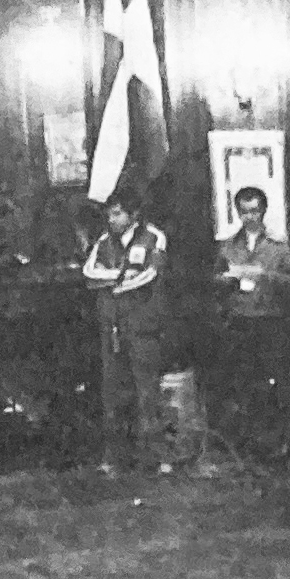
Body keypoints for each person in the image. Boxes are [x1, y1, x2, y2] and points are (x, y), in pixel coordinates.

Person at [82, 189, 169, 475]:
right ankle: (116, 456)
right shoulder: (103, 241)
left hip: (142, 325)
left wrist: (114, 282)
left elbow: (149, 274)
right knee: (113, 391)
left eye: (117, 213)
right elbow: (89, 273)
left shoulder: (153, 237)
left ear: (133, 214)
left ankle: (153, 456)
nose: (111, 219)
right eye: (109, 214)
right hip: (111, 326)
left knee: (147, 391)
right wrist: (119, 277)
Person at [213, 186, 290, 451]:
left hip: (268, 320)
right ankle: (246, 442)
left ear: (263, 211)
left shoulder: (278, 245)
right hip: (239, 320)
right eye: (244, 212)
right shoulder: (229, 245)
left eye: (254, 211)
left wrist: (265, 275)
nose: (249, 217)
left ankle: (274, 442)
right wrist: (228, 278)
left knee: (271, 381)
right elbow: (215, 279)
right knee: (243, 382)